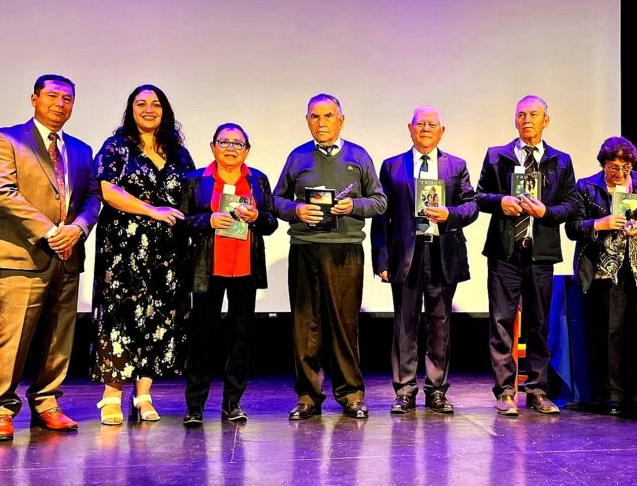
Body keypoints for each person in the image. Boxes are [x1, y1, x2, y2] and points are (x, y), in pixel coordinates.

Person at [0, 75, 100, 441]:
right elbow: (1, 190)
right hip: (23, 254)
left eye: (68, 98)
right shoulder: (6, 139)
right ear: (34, 99)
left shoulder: (82, 150)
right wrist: (49, 230)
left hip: (68, 255)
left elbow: (92, 199)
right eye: (52, 96)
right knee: (13, 335)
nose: (60, 104)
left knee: (59, 335)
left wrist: (80, 228)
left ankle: (47, 402)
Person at [274, 94, 387, 420]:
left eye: (327, 116)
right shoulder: (297, 157)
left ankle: (351, 394)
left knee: (344, 325)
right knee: (304, 326)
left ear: (341, 120)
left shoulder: (358, 156)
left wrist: (354, 206)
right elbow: (275, 201)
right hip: (305, 248)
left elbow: (380, 202)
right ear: (307, 120)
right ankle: (308, 396)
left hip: (345, 249)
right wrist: (296, 210)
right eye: (314, 117)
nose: (320, 123)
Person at [91, 84, 195, 425]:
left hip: (169, 252)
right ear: (131, 109)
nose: (149, 109)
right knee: (120, 317)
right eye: (141, 103)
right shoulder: (117, 146)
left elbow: (191, 197)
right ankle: (111, 396)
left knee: (159, 317)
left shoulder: (179, 153)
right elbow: (108, 190)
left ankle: (143, 395)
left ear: (165, 110)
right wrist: (152, 210)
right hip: (124, 250)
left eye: (156, 104)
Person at [371, 106, 478, 414]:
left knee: (440, 323)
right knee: (404, 324)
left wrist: (450, 215)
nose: (426, 128)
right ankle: (404, 390)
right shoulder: (392, 166)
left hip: (443, 253)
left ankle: (436, 390)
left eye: (433, 124)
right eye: (421, 124)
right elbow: (382, 217)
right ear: (410, 128)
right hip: (406, 253)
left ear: (442, 131)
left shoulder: (456, 166)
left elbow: (471, 206)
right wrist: (381, 259)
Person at [475, 95, 576, 416]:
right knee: (501, 321)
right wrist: (499, 201)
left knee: (539, 324)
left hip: (541, 253)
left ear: (546, 120)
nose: (527, 119)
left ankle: (537, 390)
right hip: (504, 252)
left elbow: (572, 205)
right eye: (521, 115)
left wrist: (546, 210)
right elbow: (477, 196)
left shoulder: (561, 160)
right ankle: (505, 391)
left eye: (534, 114)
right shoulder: (497, 156)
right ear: (514, 120)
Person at [180, 123, 278, 427]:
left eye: (238, 144)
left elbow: (272, 223)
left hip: (245, 269)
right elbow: (180, 221)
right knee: (202, 339)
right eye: (224, 142)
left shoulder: (258, 180)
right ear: (213, 147)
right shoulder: (197, 180)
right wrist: (208, 219)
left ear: (247, 150)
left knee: (239, 339)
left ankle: (232, 403)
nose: (231, 148)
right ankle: (195, 405)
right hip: (207, 269)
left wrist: (257, 217)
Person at [566, 137, 637, 416]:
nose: (620, 173)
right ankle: (611, 395)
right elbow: (573, 227)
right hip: (605, 271)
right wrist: (598, 224)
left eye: (626, 167)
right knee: (608, 334)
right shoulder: (588, 187)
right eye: (614, 167)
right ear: (603, 164)